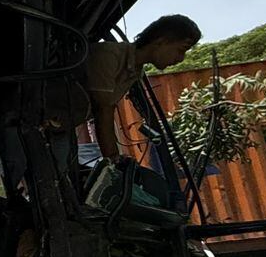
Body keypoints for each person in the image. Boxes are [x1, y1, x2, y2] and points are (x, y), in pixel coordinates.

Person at [86, 15, 202, 159]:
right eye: (181, 50)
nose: (181, 59)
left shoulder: (136, 71)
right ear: (161, 41)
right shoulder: (109, 55)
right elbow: (102, 110)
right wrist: (114, 160)